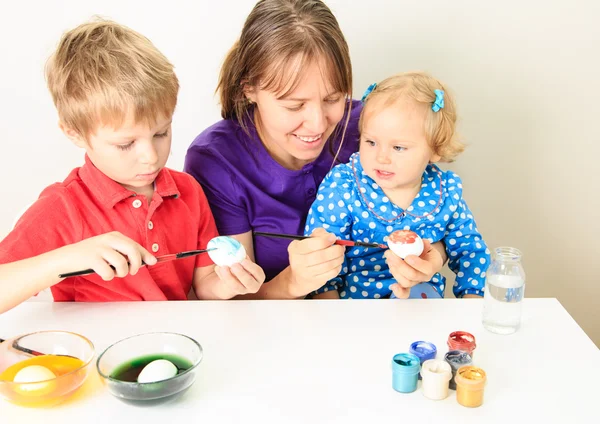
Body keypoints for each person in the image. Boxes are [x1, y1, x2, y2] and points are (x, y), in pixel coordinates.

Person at [0, 19, 264, 314]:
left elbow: (205, 283)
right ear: (74, 132)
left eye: (161, 133)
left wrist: (231, 283)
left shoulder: (188, 192)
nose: (151, 156)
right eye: (126, 144)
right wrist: (65, 259)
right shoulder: (63, 207)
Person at [185, 0, 445, 299]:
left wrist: (430, 254)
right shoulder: (216, 161)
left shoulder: (369, 131)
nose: (318, 124)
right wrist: (293, 282)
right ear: (249, 89)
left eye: (333, 99)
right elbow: (230, 299)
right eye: (294, 105)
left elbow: (434, 211)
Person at [305, 72, 491, 299]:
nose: (381, 157)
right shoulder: (344, 186)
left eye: (399, 148)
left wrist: (472, 299)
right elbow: (321, 256)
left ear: (436, 150)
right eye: (371, 142)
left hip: (421, 308)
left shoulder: (446, 193)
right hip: (354, 311)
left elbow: (470, 250)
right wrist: (330, 313)